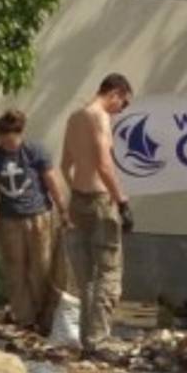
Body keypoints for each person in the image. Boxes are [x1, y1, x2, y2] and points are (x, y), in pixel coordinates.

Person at [60, 73, 134, 354]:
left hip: (78, 201)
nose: (120, 110)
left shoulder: (74, 117)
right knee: (109, 274)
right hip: (101, 202)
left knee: (87, 278)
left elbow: (65, 165)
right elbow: (104, 165)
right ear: (116, 93)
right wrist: (122, 201)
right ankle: (99, 341)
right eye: (123, 104)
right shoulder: (99, 117)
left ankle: (87, 340)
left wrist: (76, 191)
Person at [0, 109, 68, 330]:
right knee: (15, 270)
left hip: (38, 216)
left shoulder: (35, 151)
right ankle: (24, 318)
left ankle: (45, 318)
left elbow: (51, 181)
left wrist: (63, 209)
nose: (7, 144)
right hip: (9, 220)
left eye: (11, 140)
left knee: (41, 268)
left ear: (20, 134)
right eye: (3, 140)